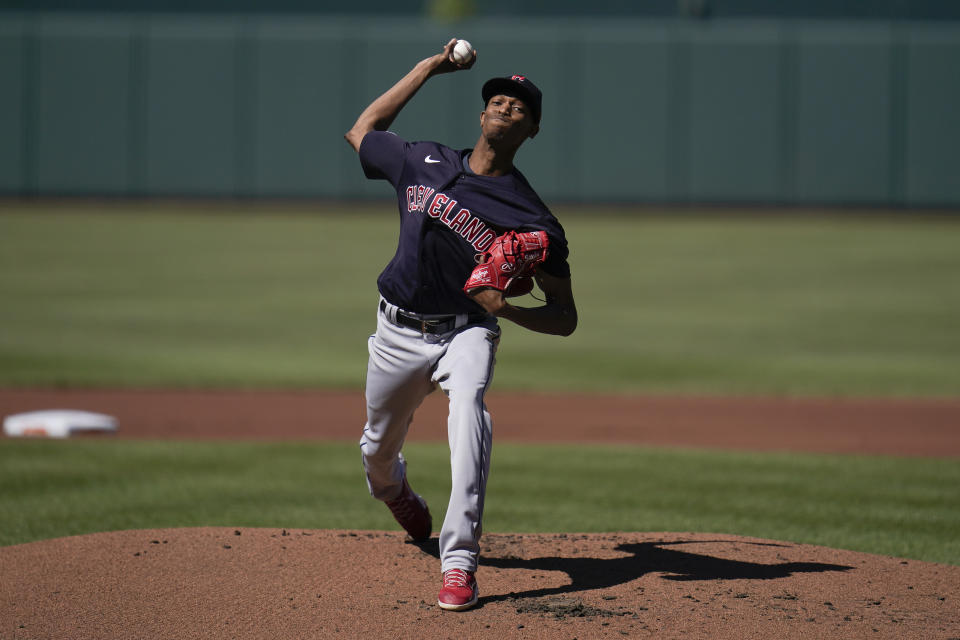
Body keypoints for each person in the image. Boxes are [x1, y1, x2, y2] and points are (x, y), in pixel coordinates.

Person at [344, 38, 578, 612]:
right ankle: (395, 490)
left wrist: (509, 312)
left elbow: (565, 316)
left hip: (466, 331)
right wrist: (431, 66)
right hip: (396, 330)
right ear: (481, 114)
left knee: (470, 409)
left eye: (520, 107)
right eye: (498, 100)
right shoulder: (423, 159)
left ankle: (459, 562)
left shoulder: (533, 218)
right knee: (375, 455)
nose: (506, 107)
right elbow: (363, 128)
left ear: (532, 131)